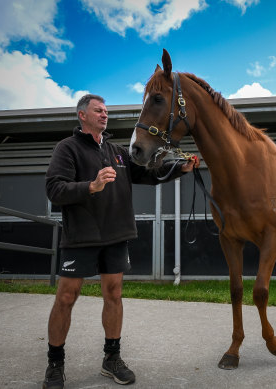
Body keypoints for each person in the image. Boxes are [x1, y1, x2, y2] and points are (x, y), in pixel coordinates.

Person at [42, 94, 198, 388]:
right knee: (66, 297)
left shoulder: (117, 151)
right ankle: (55, 363)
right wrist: (92, 185)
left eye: (106, 111)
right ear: (82, 116)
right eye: (98, 111)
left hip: (116, 236)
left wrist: (179, 168)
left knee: (113, 294)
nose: (104, 115)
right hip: (81, 237)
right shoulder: (68, 148)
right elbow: (54, 189)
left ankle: (111, 358)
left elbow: (148, 174)